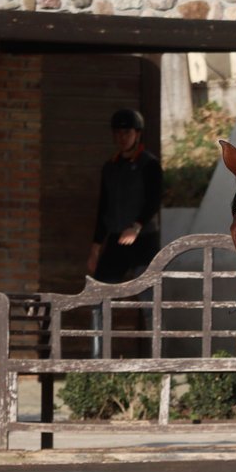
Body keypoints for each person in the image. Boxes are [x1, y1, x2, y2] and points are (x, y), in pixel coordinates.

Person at [88, 109, 162, 356]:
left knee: (149, 299)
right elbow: (103, 208)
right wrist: (96, 246)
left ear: (137, 134)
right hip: (117, 239)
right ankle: (97, 357)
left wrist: (138, 225)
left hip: (144, 240)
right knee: (97, 294)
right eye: (118, 133)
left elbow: (154, 200)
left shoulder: (149, 164)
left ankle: (156, 357)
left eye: (127, 132)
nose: (122, 137)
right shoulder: (110, 167)